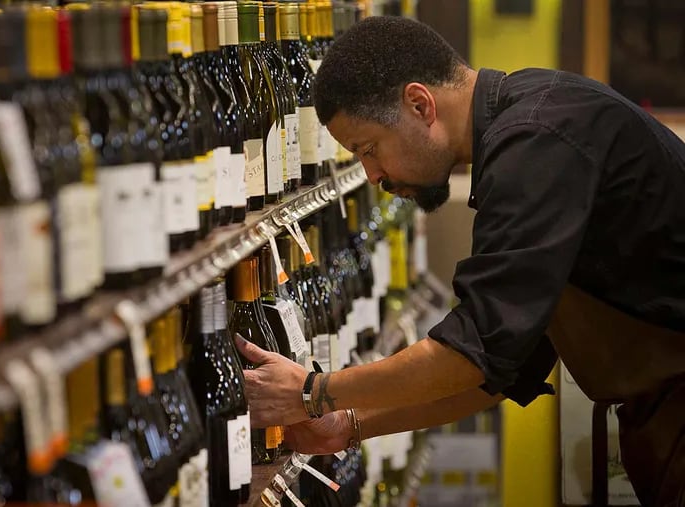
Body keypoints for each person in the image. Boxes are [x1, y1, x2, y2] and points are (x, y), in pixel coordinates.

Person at [234, 15, 685, 507]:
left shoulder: (537, 140)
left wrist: (313, 391)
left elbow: (476, 348)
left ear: (419, 104)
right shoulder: (526, 127)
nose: (372, 175)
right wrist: (348, 425)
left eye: (370, 149)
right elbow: (503, 364)